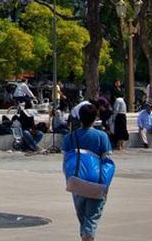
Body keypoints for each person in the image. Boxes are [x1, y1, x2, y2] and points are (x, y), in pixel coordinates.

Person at [62, 103, 113, 241]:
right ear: (95, 118)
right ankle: (87, 237)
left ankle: (86, 237)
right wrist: (106, 183)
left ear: (80, 117)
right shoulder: (101, 136)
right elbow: (106, 160)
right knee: (92, 216)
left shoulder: (70, 138)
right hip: (96, 180)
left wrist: (69, 179)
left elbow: (65, 162)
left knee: (83, 216)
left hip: (76, 180)